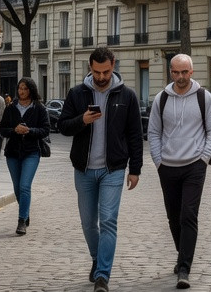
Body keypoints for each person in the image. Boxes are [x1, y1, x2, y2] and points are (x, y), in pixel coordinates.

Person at [59, 48, 145, 292]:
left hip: (113, 169)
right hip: (84, 169)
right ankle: (97, 259)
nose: (101, 77)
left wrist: (135, 169)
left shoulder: (127, 95)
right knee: (88, 223)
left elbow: (135, 135)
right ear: (90, 67)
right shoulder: (77, 93)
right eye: (97, 72)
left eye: (106, 72)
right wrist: (82, 120)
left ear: (113, 65)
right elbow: (63, 126)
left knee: (108, 221)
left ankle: (102, 275)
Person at [147, 54, 211, 289]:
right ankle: (182, 255)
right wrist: (158, 161)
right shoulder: (161, 99)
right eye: (176, 72)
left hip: (194, 166)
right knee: (173, 216)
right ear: (171, 72)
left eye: (184, 72)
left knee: (188, 215)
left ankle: (184, 268)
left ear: (192, 72)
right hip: (167, 166)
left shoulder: (203, 97)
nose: (180, 77)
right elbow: (153, 132)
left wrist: (203, 159)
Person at [1, 76, 49, 235]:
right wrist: (14, 130)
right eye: (20, 88)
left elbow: (45, 130)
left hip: (31, 152)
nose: (21, 91)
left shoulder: (39, 108)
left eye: (25, 89)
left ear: (31, 90)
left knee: (24, 186)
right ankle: (25, 212)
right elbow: (2, 129)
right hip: (13, 152)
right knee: (17, 188)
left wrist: (29, 131)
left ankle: (21, 220)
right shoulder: (10, 108)